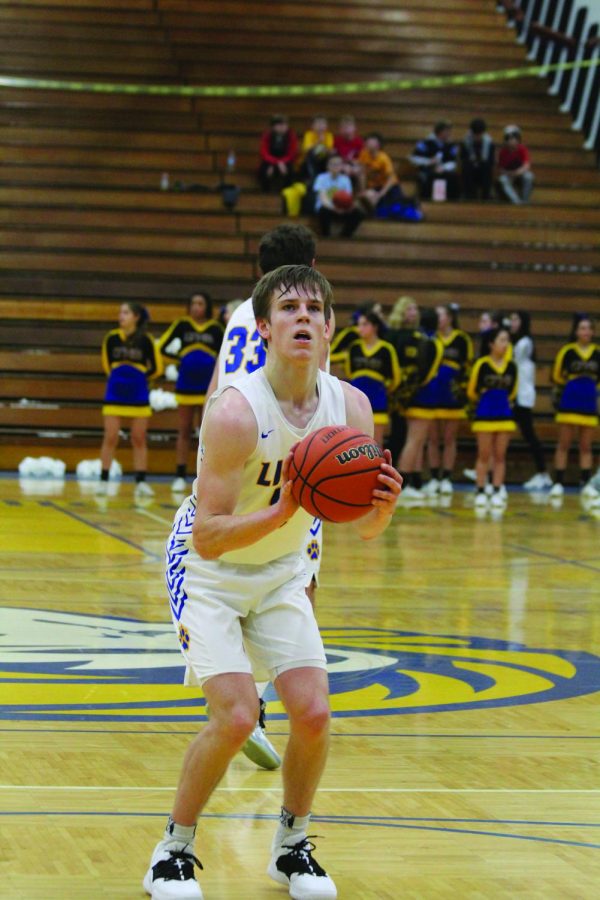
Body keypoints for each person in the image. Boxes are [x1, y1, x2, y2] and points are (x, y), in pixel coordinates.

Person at [144, 264, 402, 900]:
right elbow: (207, 535)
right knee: (235, 717)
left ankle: (292, 846)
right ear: (264, 327)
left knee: (313, 712)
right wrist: (284, 511)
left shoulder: (353, 409)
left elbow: (363, 529)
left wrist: (382, 512)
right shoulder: (235, 412)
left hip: (282, 569)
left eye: (316, 309)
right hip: (209, 570)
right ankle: (170, 852)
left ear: (332, 327)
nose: (305, 318)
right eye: (290, 309)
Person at [204, 224, 321, 771]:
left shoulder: (239, 313)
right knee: (296, 577)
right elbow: (315, 386)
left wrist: (211, 451)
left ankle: (244, 695)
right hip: (286, 450)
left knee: (236, 568)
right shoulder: (313, 310)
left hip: (231, 441)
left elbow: (215, 387)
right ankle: (270, 697)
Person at [157, 293, 224, 492]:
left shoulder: (215, 328)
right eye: (193, 303)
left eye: (200, 303)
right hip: (186, 383)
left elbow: (225, 351)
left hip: (207, 386)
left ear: (207, 306)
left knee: (205, 432)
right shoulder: (182, 325)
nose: (196, 307)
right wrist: (182, 359)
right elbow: (161, 347)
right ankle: (179, 474)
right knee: (184, 429)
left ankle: (204, 475)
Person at [98, 302, 162, 497]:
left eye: (126, 313)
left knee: (139, 438)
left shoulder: (146, 340)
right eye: (120, 312)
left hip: (138, 394)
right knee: (110, 437)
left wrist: (139, 377)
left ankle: (141, 481)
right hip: (115, 394)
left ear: (136, 317)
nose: (121, 316)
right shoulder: (111, 338)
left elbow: (157, 368)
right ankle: (103, 480)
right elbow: (107, 365)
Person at [424, 304, 473, 496]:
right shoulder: (431, 337)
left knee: (450, 438)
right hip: (433, 392)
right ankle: (435, 477)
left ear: (450, 318)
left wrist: (461, 388)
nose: (439, 319)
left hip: (452, 394)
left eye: (441, 315)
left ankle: (447, 478)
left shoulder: (462, 339)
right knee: (433, 438)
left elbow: (467, 366)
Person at [549, 314, 600, 499]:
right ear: (576, 331)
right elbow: (556, 376)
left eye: (589, 328)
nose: (586, 331)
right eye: (582, 328)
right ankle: (558, 482)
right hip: (570, 402)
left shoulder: (597, 352)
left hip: (589, 403)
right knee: (564, 444)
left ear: (593, 332)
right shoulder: (567, 351)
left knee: (586, 446)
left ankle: (585, 482)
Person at [467, 326, 518, 510]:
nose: (506, 344)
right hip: (485, 415)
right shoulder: (482, 364)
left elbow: (513, 392)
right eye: (502, 340)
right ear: (491, 344)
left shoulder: (512, 366)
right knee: (484, 455)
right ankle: (480, 490)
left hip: (504, 415)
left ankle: (497, 490)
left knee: (500, 456)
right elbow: (472, 391)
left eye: (507, 340)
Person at [397, 308, 443, 501]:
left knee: (415, 441)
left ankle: (414, 482)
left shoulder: (412, 338)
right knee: (415, 441)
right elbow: (429, 373)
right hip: (424, 397)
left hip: (409, 395)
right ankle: (403, 484)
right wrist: (417, 387)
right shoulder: (434, 343)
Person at [340, 310, 401, 447]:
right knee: (353, 441)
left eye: (364, 324)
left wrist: (383, 390)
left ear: (375, 327)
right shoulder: (354, 347)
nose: (359, 328)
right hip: (355, 400)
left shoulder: (386, 349)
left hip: (377, 399)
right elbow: (350, 373)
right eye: (359, 324)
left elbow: (396, 378)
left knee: (376, 442)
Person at [508, 311, 551, 490]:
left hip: (521, 396)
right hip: (516, 395)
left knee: (529, 435)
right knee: (499, 431)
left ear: (523, 322)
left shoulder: (524, 343)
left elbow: (511, 361)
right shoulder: (517, 341)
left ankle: (543, 474)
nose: (512, 322)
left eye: (516, 319)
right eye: (511, 319)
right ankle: (486, 470)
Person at [385, 296, 423, 464]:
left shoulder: (419, 336)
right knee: (398, 432)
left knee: (411, 434)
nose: (413, 313)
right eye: (409, 309)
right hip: (395, 391)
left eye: (415, 309)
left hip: (414, 390)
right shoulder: (391, 335)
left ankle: (407, 475)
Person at [312, 154, 364, 237]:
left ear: (342, 166)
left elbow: (348, 198)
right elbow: (323, 198)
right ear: (327, 166)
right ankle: (326, 236)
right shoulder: (321, 178)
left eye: (338, 164)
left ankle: (344, 237)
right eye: (333, 164)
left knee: (358, 213)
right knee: (323, 210)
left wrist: (346, 208)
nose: (336, 166)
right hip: (328, 209)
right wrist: (334, 208)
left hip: (341, 209)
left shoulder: (345, 179)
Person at [410, 119, 460, 201]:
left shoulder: (451, 145)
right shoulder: (425, 143)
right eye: (447, 131)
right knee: (428, 177)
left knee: (453, 177)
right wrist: (429, 161)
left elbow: (453, 162)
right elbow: (414, 158)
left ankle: (451, 204)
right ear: (440, 132)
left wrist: (443, 168)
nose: (449, 134)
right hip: (428, 170)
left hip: (444, 171)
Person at [357, 132, 406, 213]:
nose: (367, 143)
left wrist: (381, 194)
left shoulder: (384, 158)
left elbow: (391, 179)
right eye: (367, 141)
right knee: (367, 197)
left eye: (371, 141)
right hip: (374, 186)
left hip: (389, 186)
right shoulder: (363, 153)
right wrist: (362, 190)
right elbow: (362, 173)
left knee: (396, 208)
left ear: (378, 145)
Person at [258, 115, 298, 193]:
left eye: (285, 125)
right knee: (263, 170)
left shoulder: (291, 135)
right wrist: (274, 162)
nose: (283, 127)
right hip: (270, 161)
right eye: (280, 125)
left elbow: (292, 153)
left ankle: (286, 192)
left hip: (286, 161)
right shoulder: (267, 135)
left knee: (291, 171)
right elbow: (264, 152)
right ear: (274, 126)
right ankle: (265, 192)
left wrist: (282, 162)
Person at [497, 125, 534, 205]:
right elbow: (501, 169)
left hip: (520, 173)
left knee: (529, 176)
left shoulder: (522, 149)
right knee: (503, 180)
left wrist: (517, 172)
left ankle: (525, 200)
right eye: (508, 138)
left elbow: (526, 165)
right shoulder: (503, 152)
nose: (511, 141)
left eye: (513, 138)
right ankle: (517, 202)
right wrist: (510, 174)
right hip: (509, 174)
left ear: (518, 139)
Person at [461, 118, 495, 200]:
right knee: (467, 167)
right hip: (471, 167)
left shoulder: (489, 143)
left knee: (487, 168)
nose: (477, 137)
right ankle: (469, 196)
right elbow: (463, 158)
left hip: (483, 168)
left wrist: (480, 163)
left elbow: (491, 160)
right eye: (475, 135)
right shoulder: (465, 141)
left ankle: (486, 196)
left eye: (479, 135)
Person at [300, 114, 335, 181]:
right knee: (311, 154)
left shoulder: (329, 135)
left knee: (331, 157)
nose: (320, 126)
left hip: (324, 159)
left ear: (326, 126)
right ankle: (313, 179)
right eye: (318, 124)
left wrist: (326, 149)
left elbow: (330, 150)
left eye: (322, 124)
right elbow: (306, 150)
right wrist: (318, 142)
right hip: (310, 160)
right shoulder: (308, 134)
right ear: (312, 126)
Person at [333, 114, 364, 181]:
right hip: (341, 164)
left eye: (349, 127)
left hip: (354, 164)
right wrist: (343, 165)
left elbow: (362, 158)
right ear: (340, 129)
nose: (346, 129)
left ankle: (361, 191)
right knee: (343, 169)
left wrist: (354, 164)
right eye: (344, 127)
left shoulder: (359, 141)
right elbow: (334, 156)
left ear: (354, 128)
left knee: (360, 171)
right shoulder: (337, 140)